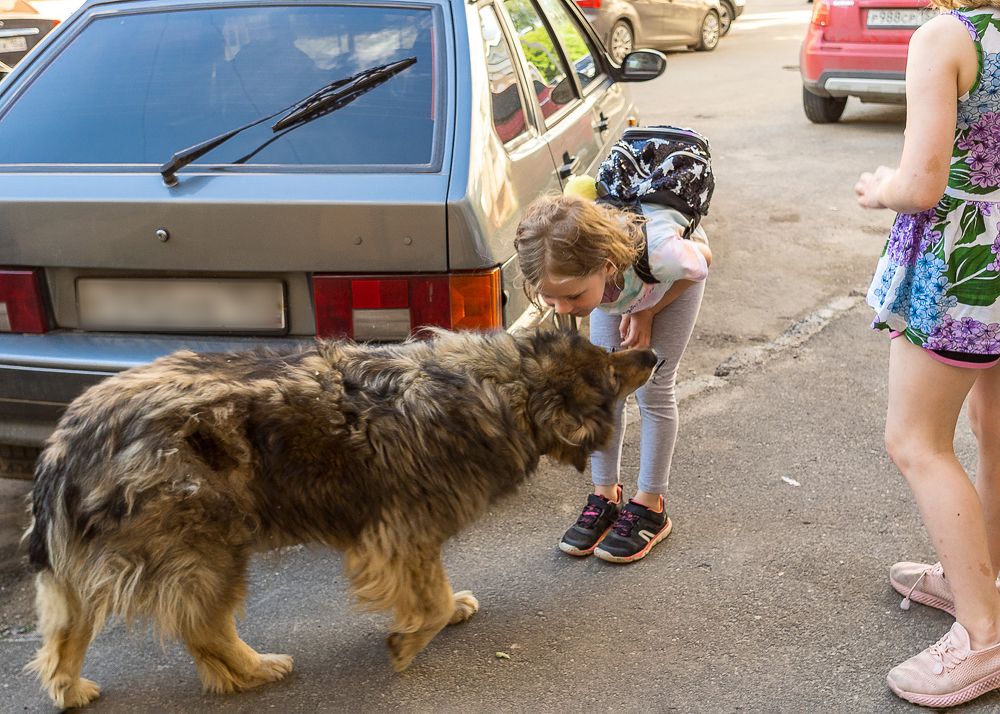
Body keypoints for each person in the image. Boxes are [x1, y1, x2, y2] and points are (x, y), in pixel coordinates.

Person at [855, 1, 1000, 706]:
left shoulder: (948, 37)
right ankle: (984, 580)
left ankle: (983, 637)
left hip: (964, 267)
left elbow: (920, 185)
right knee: (993, 434)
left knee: (916, 440)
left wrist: (879, 185)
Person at [513, 180, 712, 564]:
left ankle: (650, 505)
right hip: (621, 290)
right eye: (549, 298)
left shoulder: (663, 254)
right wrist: (603, 301)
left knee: (653, 390)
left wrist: (648, 310)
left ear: (605, 266)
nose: (563, 309)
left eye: (572, 296)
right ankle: (605, 494)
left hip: (672, 285)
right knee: (603, 390)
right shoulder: (577, 269)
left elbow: (704, 261)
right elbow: (579, 295)